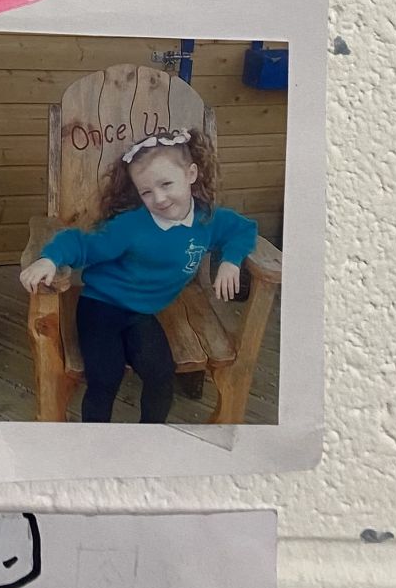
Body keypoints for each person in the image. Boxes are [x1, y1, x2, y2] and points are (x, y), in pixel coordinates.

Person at [18, 127, 257, 424]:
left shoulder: (208, 219)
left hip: (142, 313)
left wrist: (231, 261)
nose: (159, 198)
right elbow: (81, 243)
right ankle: (93, 439)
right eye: (146, 192)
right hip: (101, 306)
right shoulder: (130, 227)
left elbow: (243, 229)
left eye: (166, 184)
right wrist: (49, 259)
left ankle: (149, 436)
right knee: (105, 377)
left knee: (161, 374)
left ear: (191, 174)